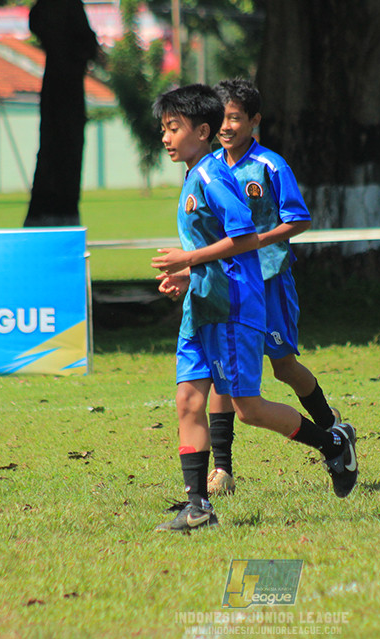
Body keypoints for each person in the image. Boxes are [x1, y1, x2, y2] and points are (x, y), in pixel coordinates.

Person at [150, 84, 358, 533]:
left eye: (173, 128)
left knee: (248, 408)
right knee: (188, 399)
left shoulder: (212, 176)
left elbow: (244, 237)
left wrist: (188, 259)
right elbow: (215, 244)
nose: (165, 137)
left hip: (232, 305)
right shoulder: (194, 174)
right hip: (202, 302)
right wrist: (187, 275)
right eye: (163, 128)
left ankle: (332, 444)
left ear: (200, 131)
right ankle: (198, 505)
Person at [201, 78, 343, 497]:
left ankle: (332, 428)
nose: (226, 126)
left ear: (254, 121)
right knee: (221, 373)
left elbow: (298, 219)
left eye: (234, 118)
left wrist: (255, 242)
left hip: (269, 280)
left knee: (283, 367)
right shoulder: (209, 168)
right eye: (221, 118)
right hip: (226, 283)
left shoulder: (270, 166)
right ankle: (222, 470)